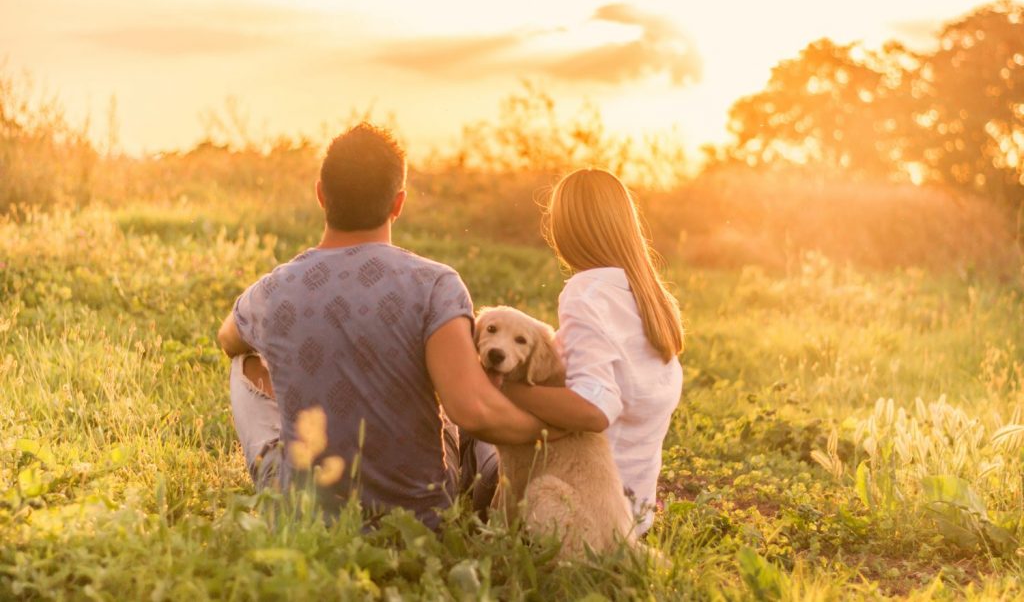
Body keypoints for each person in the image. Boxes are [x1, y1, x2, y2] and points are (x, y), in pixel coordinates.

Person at [216, 123, 546, 529]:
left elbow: (227, 338)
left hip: (309, 516)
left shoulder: (273, 289)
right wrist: (549, 431)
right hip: (421, 516)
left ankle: (293, 481)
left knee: (244, 360)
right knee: (450, 371)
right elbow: (471, 411)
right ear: (398, 203)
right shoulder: (435, 284)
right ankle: (488, 470)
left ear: (321, 195)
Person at [503, 168, 684, 534]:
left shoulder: (586, 293)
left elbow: (594, 408)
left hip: (589, 512)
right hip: (635, 515)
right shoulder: (652, 298)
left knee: (477, 443)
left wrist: (509, 389)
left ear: (563, 230)